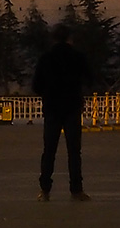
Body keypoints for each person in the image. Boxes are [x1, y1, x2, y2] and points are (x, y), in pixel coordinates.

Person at [32, 23, 90, 201]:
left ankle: (45, 190)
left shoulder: (46, 59)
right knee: (74, 152)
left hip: (52, 109)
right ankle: (76, 190)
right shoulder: (78, 57)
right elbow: (89, 78)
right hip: (72, 108)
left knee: (49, 151)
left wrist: (49, 92)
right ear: (70, 38)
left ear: (54, 38)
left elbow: (36, 86)